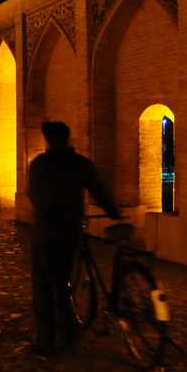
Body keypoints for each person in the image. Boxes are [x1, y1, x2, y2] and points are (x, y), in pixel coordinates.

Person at [27, 121, 122, 357]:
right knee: (62, 281)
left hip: (45, 232)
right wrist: (114, 212)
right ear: (68, 139)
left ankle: (45, 342)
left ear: (48, 140)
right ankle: (69, 330)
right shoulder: (80, 163)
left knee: (43, 287)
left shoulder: (39, 163)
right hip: (70, 232)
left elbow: (33, 194)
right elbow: (98, 189)